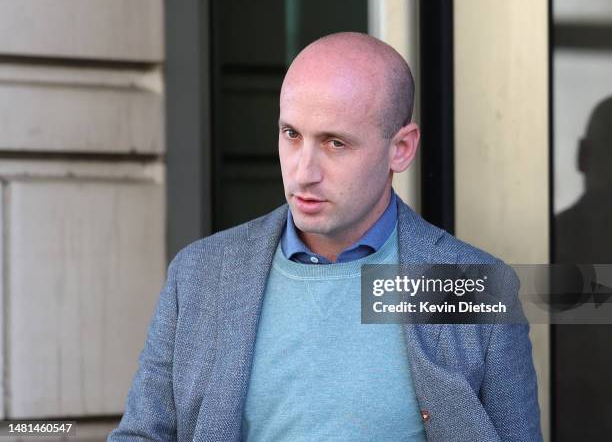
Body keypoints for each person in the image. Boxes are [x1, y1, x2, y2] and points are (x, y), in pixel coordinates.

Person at [109, 32, 541, 441]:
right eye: (291, 135)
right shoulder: (201, 273)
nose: (303, 172)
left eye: (335, 143)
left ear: (402, 149)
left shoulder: (475, 286)